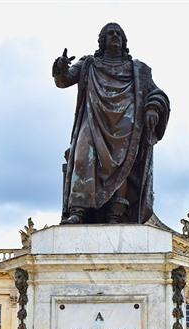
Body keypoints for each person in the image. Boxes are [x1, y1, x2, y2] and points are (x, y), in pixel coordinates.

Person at [53, 23, 169, 225]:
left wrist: (153, 107)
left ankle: (115, 215)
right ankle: (77, 212)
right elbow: (64, 80)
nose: (114, 36)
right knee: (81, 158)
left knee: (123, 164)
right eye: (110, 33)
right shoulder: (89, 64)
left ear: (124, 41)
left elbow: (157, 93)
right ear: (102, 40)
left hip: (126, 127)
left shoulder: (139, 70)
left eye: (118, 33)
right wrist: (60, 68)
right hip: (93, 120)